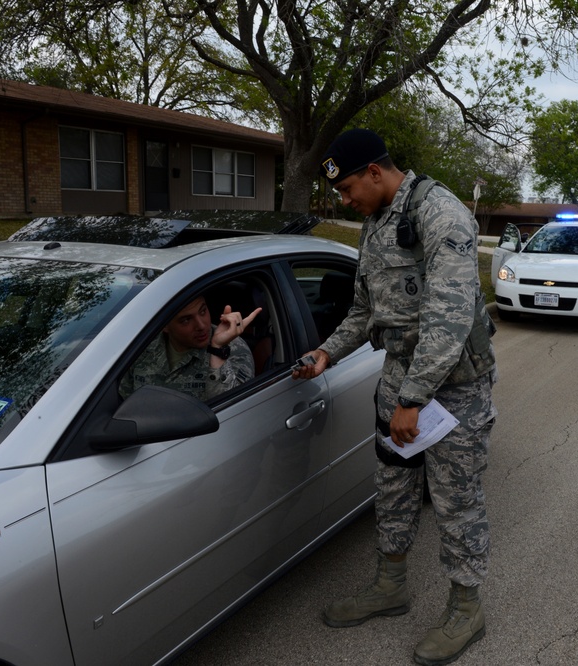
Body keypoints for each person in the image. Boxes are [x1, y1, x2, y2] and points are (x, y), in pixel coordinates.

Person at [293, 129, 498, 665]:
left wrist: (413, 398)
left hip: (452, 389)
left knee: (457, 501)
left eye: (347, 188)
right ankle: (391, 586)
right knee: (393, 487)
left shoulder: (442, 215)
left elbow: (449, 319)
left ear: (376, 173)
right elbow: (365, 312)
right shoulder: (376, 221)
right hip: (401, 380)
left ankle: (466, 608)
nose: (344, 200)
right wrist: (327, 353)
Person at [120, 295, 260, 401]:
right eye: (186, 320)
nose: (201, 325)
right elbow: (123, 400)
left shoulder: (233, 348)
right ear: (165, 326)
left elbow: (234, 410)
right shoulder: (143, 347)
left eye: (203, 311)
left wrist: (218, 350)